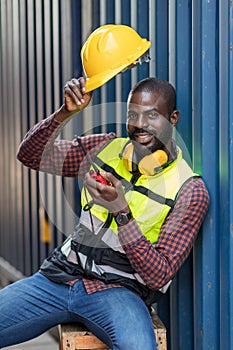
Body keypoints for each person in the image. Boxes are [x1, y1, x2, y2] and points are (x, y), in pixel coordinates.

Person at [0, 76, 209, 349]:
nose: (140, 125)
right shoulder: (106, 149)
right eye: (133, 115)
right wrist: (67, 113)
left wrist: (121, 211)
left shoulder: (189, 190)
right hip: (58, 279)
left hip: (118, 293)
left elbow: (159, 275)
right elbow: (31, 155)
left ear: (173, 118)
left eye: (152, 115)